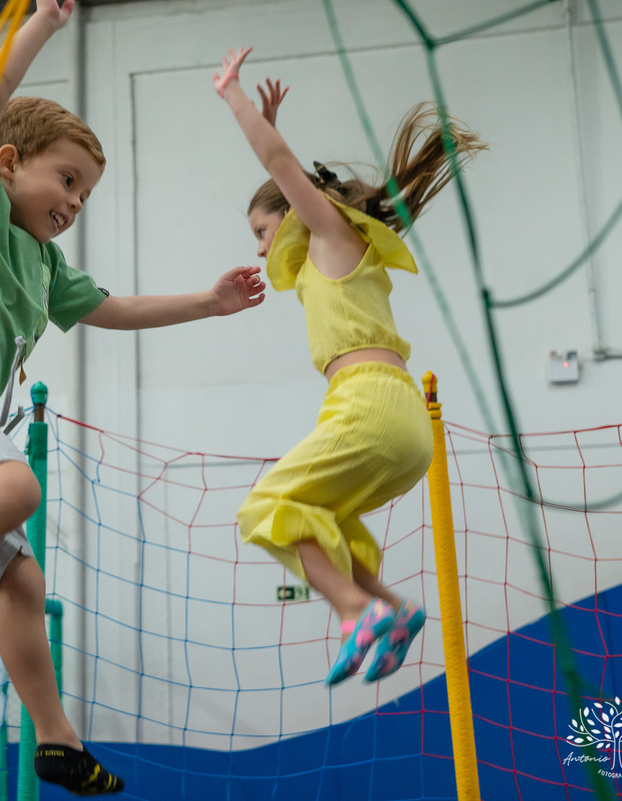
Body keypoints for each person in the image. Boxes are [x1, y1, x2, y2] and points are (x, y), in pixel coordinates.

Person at [0, 3, 266, 795]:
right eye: (66, 179)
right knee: (15, 485)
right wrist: (40, 25)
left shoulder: (46, 267)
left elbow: (114, 309)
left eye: (86, 194)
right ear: (7, 162)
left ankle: (57, 738)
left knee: (23, 580)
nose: (73, 201)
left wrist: (207, 303)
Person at [215, 47, 486, 685]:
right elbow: (286, 166)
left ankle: (357, 611)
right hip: (398, 423)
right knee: (325, 515)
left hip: (372, 404)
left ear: (295, 209)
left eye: (262, 229)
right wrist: (276, 124)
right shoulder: (333, 255)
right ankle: (390, 608)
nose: (258, 246)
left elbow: (280, 166)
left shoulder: (334, 234)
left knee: (264, 507)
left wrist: (235, 98)